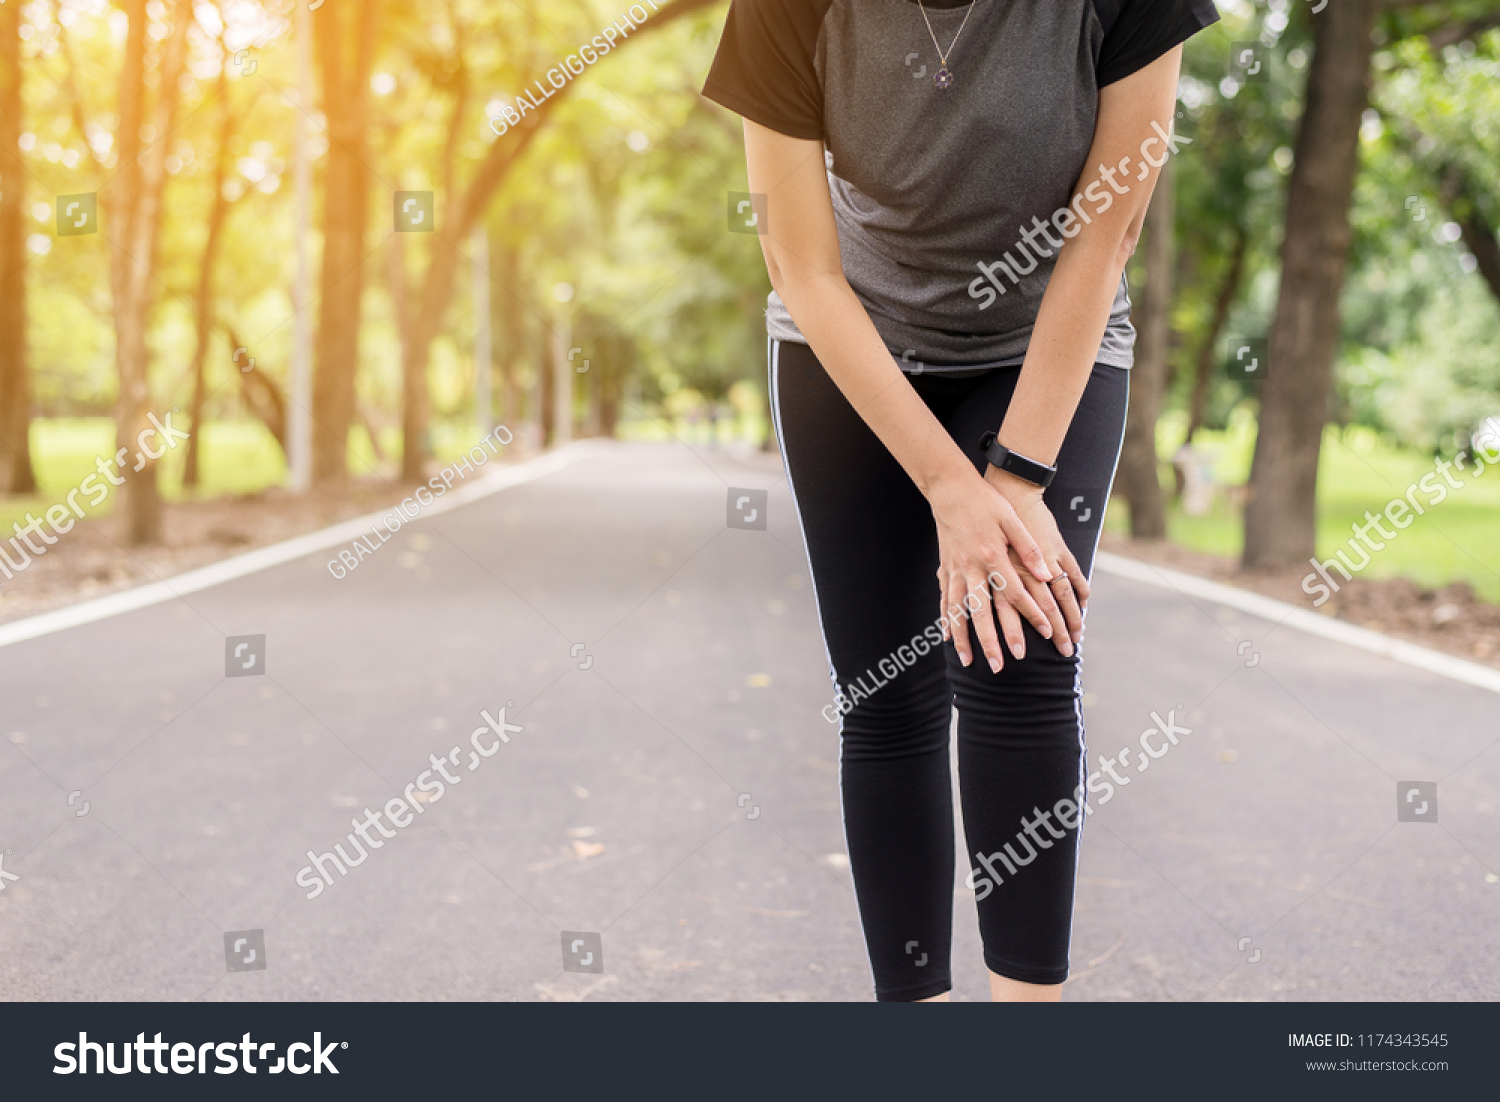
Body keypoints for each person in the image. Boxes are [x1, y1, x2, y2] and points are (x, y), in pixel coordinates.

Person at [703, 0, 1219, 1002]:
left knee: (1020, 656)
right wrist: (949, 486)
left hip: (1046, 339)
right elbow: (801, 266)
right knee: (887, 694)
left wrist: (1015, 477)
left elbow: (1107, 232)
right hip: (851, 337)